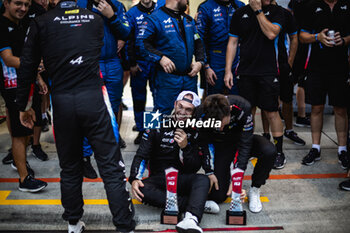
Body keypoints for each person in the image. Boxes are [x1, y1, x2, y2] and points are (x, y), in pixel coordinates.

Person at [16, 0, 135, 232]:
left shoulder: (42, 21)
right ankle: (124, 226)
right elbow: (117, 36)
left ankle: (73, 224)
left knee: (70, 167)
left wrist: (23, 105)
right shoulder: (94, 18)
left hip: (63, 103)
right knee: (110, 165)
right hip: (93, 98)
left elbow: (28, 65)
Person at [129, 91, 211, 233]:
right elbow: (141, 154)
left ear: (194, 112)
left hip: (183, 179)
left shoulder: (198, 129)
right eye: (180, 106)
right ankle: (196, 203)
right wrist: (135, 178)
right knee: (140, 189)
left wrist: (185, 148)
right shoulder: (155, 120)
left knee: (203, 180)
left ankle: (191, 219)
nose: (182, 112)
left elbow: (195, 167)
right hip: (159, 180)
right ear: (175, 104)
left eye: (188, 109)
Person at [224, 0, 286, 169]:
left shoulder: (277, 11)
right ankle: (246, 148)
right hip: (245, 72)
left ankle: (278, 151)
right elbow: (233, 42)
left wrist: (258, 11)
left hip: (268, 71)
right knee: (247, 113)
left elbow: (272, 34)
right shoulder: (240, 13)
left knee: (272, 112)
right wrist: (228, 70)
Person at [196, 94, 276, 213]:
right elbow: (204, 143)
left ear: (230, 111)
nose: (221, 128)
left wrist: (237, 176)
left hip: (241, 140)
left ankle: (255, 189)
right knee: (218, 196)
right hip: (222, 146)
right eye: (217, 125)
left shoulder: (243, 106)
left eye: (223, 124)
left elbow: (246, 143)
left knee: (269, 151)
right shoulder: (200, 114)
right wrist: (209, 171)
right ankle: (226, 174)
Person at [0, 0, 48, 192]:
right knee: (20, 132)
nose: (23, 8)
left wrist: (38, 78)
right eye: (18, 4)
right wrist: (34, 66)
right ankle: (23, 179)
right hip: (11, 84)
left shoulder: (22, 24)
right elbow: (9, 59)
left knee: (27, 127)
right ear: (6, 3)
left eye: (27, 5)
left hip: (26, 82)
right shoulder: (2, 25)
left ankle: (20, 164)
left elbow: (26, 56)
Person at [299, 0, 350, 168]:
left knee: (340, 109)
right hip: (316, 67)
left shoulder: (346, 5)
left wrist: (343, 40)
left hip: (340, 67)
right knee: (316, 108)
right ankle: (315, 148)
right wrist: (317, 37)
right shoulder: (311, 5)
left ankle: (342, 149)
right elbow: (302, 36)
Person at [77, 0, 131, 148]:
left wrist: (112, 17)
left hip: (113, 62)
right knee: (89, 108)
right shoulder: (80, 4)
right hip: (91, 63)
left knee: (113, 106)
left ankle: (111, 143)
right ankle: (87, 150)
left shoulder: (116, 5)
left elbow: (126, 32)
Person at [138, 0, 205, 115]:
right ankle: (149, 133)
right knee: (159, 114)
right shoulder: (154, 19)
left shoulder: (188, 20)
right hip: (166, 79)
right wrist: (160, 58)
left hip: (189, 78)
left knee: (192, 113)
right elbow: (141, 44)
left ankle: (186, 134)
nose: (187, 2)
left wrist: (200, 62)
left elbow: (198, 42)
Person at [261, 1, 305, 147]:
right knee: (266, 101)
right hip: (264, 65)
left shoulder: (284, 13)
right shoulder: (257, 13)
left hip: (282, 64)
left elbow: (294, 37)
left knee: (286, 98)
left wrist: (290, 62)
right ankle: (266, 134)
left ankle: (290, 130)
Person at [196, 0, 245, 96]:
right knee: (214, 99)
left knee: (236, 97)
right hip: (215, 58)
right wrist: (206, 66)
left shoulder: (239, 6)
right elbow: (199, 39)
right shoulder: (206, 7)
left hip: (237, 57)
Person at [126, 0, 156, 144]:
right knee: (138, 100)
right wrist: (132, 63)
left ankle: (154, 130)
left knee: (157, 98)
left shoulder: (160, 11)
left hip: (156, 62)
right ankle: (141, 130)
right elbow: (128, 40)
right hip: (139, 63)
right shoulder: (131, 13)